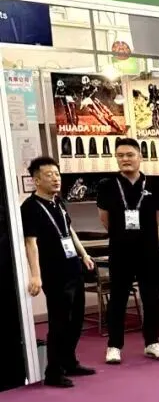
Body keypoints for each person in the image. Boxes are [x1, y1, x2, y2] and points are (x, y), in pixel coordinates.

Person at [20, 156, 96, 388]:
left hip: (73, 267)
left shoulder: (58, 202)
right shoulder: (30, 208)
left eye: (57, 174)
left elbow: (69, 230)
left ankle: (69, 361)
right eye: (49, 175)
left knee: (76, 319)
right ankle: (53, 371)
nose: (55, 179)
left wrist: (84, 254)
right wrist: (35, 275)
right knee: (59, 322)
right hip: (54, 273)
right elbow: (30, 243)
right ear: (36, 180)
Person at [96, 137, 159, 364]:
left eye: (130, 155)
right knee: (118, 298)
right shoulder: (107, 186)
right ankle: (114, 346)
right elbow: (105, 219)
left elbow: (158, 218)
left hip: (148, 249)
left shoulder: (155, 185)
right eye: (120, 156)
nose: (125, 159)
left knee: (151, 297)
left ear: (140, 156)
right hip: (120, 251)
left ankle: (152, 342)